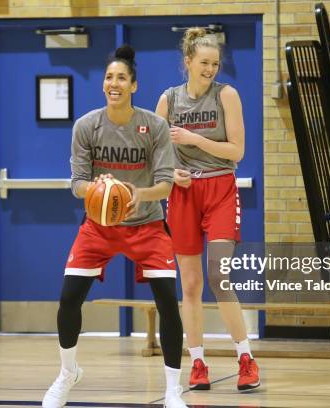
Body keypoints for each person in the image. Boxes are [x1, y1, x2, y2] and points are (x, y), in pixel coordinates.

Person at [42, 45, 188, 408]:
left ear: (134, 85)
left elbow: (166, 184)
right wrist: (95, 189)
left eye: (121, 77)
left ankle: (172, 390)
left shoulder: (154, 126)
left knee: (169, 303)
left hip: (148, 224)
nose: (114, 83)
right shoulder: (87, 126)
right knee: (68, 298)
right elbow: (77, 183)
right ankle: (67, 372)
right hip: (100, 226)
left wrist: (137, 192)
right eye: (109, 77)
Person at [155, 28, 260, 392]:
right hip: (184, 192)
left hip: (219, 189)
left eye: (215, 63)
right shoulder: (168, 100)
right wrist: (172, 173)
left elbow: (237, 152)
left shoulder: (227, 95)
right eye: (204, 63)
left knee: (219, 277)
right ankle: (197, 362)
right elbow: (156, 156)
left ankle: (245, 357)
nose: (210, 69)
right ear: (187, 62)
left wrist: (195, 138)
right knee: (191, 284)